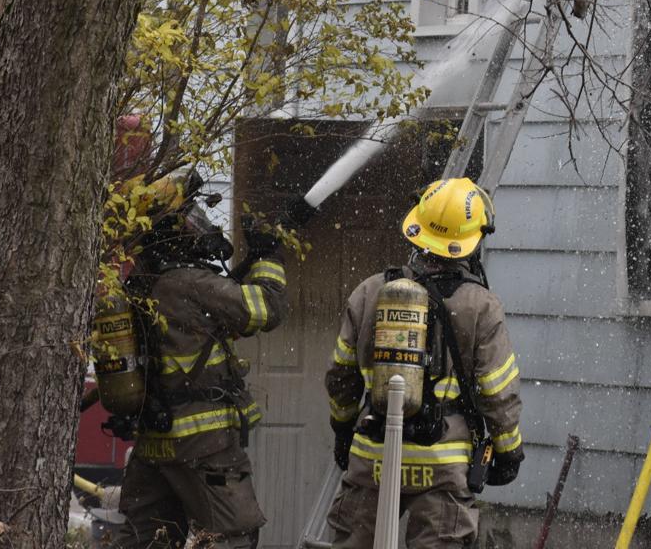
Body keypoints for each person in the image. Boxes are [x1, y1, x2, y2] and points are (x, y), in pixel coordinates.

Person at [325, 178, 524, 548]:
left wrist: (341, 428)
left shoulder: (370, 292)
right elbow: (498, 392)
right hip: (442, 462)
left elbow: (341, 376)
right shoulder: (481, 306)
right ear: (471, 240)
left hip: (375, 455)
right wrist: (509, 450)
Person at [112, 172, 301, 549]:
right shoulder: (190, 283)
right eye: (190, 215)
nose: (199, 222)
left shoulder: (142, 284)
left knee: (146, 540)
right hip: (202, 444)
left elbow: (211, 330)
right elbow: (267, 309)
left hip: (153, 444)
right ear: (171, 228)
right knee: (234, 536)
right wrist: (270, 258)